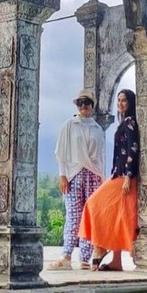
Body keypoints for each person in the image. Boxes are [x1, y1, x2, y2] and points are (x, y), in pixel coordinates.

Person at [78, 88, 139, 271]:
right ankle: (116, 261)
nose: (120, 103)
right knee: (116, 216)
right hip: (118, 174)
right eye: (119, 100)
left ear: (130, 103)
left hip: (124, 177)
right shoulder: (124, 123)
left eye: (124, 101)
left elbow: (132, 149)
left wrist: (128, 176)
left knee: (94, 203)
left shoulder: (129, 123)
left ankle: (100, 248)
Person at [47, 89, 106, 270]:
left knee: (90, 217)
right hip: (74, 173)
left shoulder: (97, 128)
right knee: (73, 215)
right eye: (80, 103)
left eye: (86, 103)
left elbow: (101, 155)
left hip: (93, 174)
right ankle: (66, 256)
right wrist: (62, 174)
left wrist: (102, 177)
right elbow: (61, 152)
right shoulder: (70, 125)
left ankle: (84, 258)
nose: (83, 106)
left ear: (92, 105)